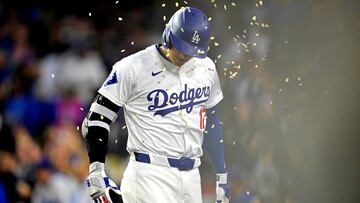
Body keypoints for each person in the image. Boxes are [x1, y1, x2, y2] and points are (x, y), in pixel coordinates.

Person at [82, 7, 230, 203]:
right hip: (149, 174)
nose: (186, 55)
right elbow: (97, 118)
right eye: (182, 47)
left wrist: (221, 173)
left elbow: (211, 120)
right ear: (169, 34)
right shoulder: (133, 66)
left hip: (192, 175)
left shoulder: (207, 68)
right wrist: (96, 170)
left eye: (192, 50)